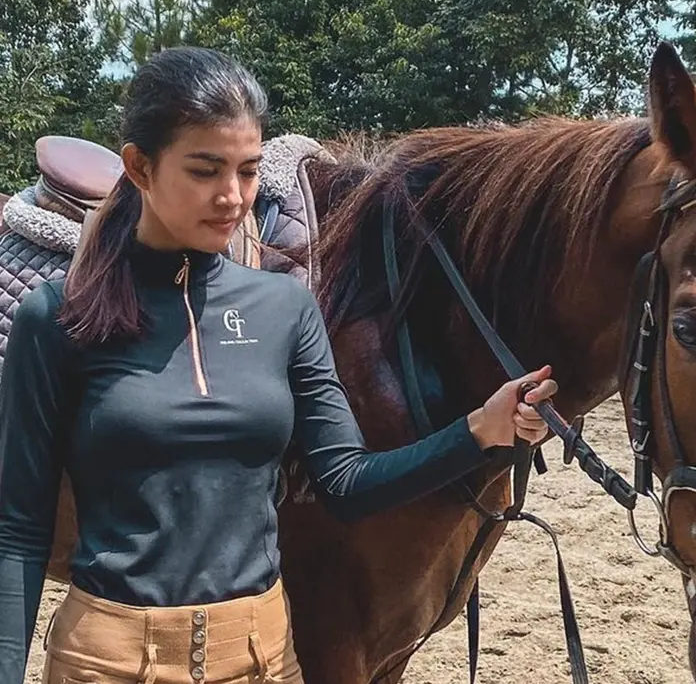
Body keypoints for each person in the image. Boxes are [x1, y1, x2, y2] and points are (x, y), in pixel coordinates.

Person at [0, 46, 558, 684]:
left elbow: (347, 484)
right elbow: (19, 528)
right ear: (140, 167)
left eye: (247, 171)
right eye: (206, 170)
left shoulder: (285, 307)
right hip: (110, 662)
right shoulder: (59, 316)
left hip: (263, 660)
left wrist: (478, 431)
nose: (232, 197)